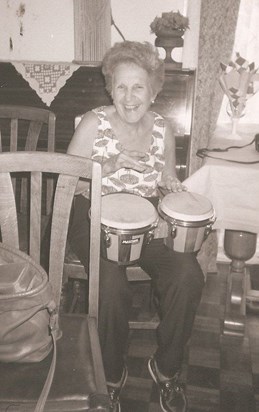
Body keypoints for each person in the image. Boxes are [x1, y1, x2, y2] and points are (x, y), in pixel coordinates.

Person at [67, 41, 204, 412]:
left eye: (138, 86)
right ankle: (111, 376)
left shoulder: (163, 127)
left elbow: (166, 179)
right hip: (91, 214)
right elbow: (67, 185)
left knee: (188, 275)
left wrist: (173, 188)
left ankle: (166, 368)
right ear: (111, 88)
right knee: (110, 284)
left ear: (154, 89)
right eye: (121, 87)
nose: (129, 97)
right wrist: (108, 166)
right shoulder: (94, 122)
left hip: (147, 219)